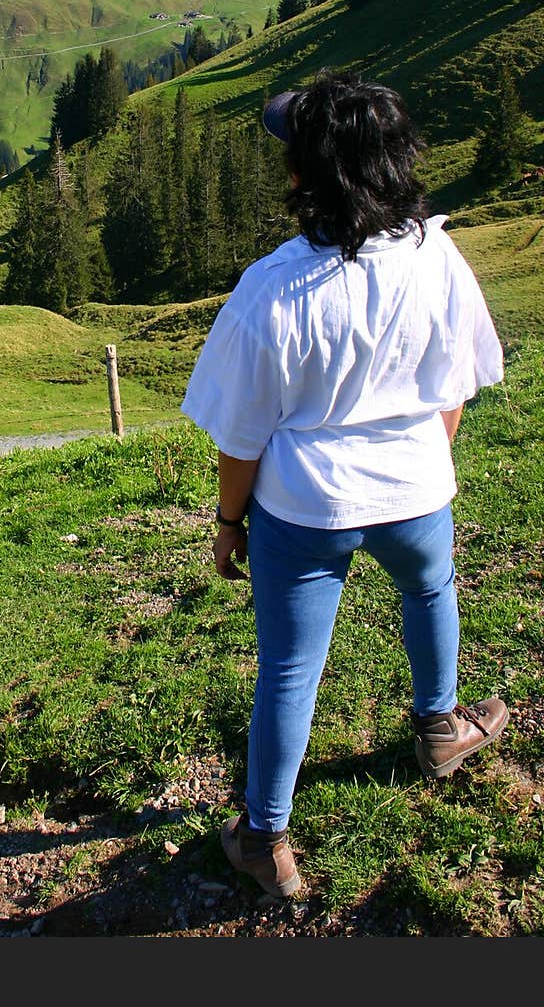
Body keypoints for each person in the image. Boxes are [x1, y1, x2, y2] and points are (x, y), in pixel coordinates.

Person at [180, 72, 508, 900]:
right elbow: (456, 382)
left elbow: (241, 435)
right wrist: (424, 463)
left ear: (308, 176)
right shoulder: (439, 257)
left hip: (307, 508)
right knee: (431, 592)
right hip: (417, 487)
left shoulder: (273, 288)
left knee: (291, 668)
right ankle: (440, 726)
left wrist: (228, 522)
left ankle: (265, 837)